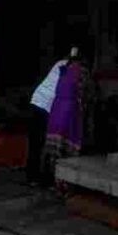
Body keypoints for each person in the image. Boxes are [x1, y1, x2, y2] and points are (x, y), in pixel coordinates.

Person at [43, 47, 92, 183]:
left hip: (56, 109)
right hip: (70, 109)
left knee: (55, 147)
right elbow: (85, 93)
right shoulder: (82, 71)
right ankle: (64, 182)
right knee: (68, 147)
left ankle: (52, 179)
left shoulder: (63, 70)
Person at [27, 52, 68, 185]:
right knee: (41, 142)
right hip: (45, 105)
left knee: (35, 143)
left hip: (37, 101)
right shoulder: (68, 68)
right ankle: (37, 177)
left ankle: (32, 176)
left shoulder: (61, 63)